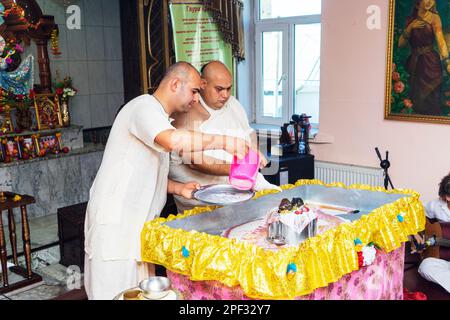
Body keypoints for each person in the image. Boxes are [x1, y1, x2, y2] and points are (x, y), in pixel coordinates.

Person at [84, 61, 251, 300]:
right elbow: (172, 141)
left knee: (140, 295)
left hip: (140, 230)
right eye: (194, 91)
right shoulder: (142, 107)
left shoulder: (159, 119)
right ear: (175, 84)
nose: (196, 99)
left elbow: (144, 174)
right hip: (116, 228)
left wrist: (179, 188)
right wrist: (225, 142)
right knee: (113, 295)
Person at [169, 60, 281, 213]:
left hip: (243, 184)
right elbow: (193, 161)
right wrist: (240, 169)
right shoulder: (188, 109)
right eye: (219, 89)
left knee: (279, 203)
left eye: (229, 89)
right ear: (203, 84)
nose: (225, 95)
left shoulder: (233, 104)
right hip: (205, 196)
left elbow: (248, 132)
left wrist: (253, 154)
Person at [398, 0, 450, 116]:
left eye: (432, 0)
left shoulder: (434, 18)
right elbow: (400, 44)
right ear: (418, 1)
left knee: (431, 102)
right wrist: (410, 27)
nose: (429, 2)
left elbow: (440, 41)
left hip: (431, 64)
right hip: (414, 64)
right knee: (415, 103)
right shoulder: (411, 19)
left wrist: (447, 61)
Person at [416, 173, 450, 292]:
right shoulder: (436, 206)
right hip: (445, 259)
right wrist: (417, 235)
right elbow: (415, 211)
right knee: (425, 266)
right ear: (447, 197)